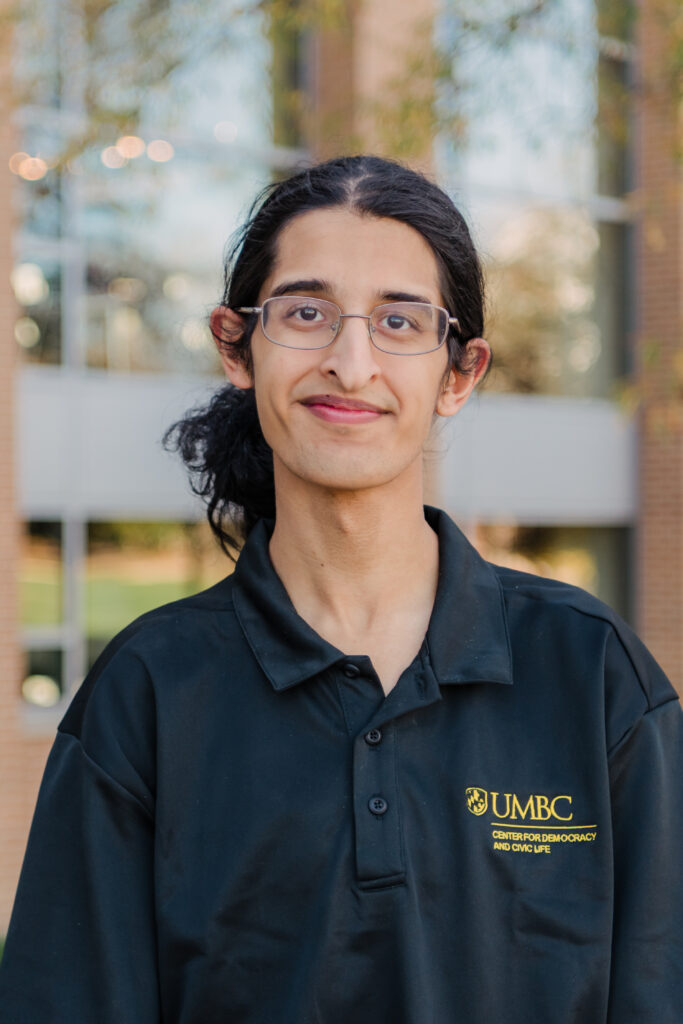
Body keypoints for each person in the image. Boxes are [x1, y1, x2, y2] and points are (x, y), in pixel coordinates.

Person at [1, 155, 682, 1023]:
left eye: (399, 321)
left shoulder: (592, 673)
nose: (349, 362)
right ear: (236, 346)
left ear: (459, 373)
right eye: (306, 313)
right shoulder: (148, 691)